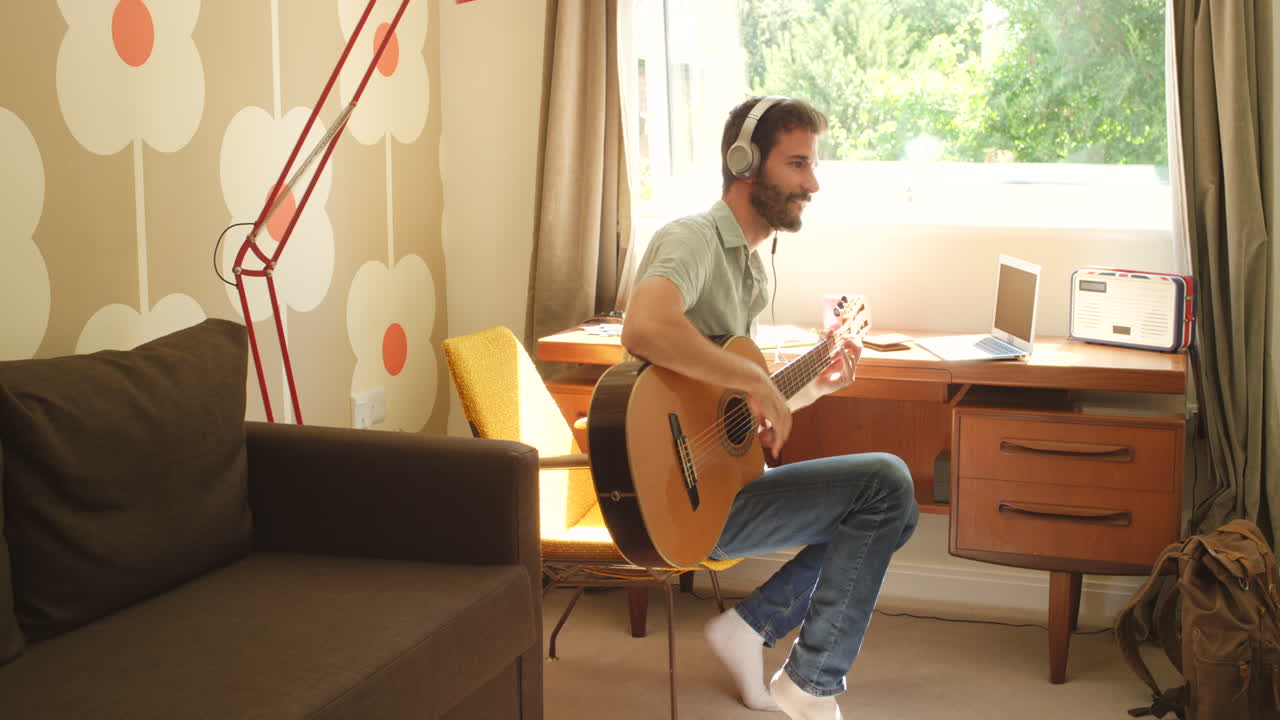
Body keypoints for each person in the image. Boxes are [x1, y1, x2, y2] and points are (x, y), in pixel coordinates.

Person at [620, 96, 920, 720]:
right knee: (887, 483)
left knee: (892, 505)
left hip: (717, 485)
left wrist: (817, 384)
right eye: (798, 164)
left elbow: (733, 415)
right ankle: (809, 684)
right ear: (745, 163)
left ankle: (753, 627)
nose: (813, 183)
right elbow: (643, 327)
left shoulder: (750, 270)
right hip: (671, 499)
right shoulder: (694, 239)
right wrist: (748, 378)